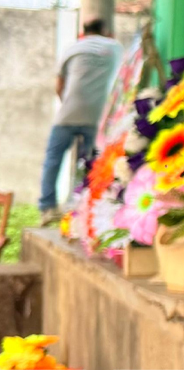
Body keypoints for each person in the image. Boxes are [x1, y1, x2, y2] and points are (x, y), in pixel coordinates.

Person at [39, 18, 122, 222]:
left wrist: (67, 103)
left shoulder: (73, 47)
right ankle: (80, 208)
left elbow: (59, 85)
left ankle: (47, 208)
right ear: (106, 31)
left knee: (53, 159)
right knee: (91, 163)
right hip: (97, 116)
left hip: (68, 113)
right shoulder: (115, 47)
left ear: (83, 32)